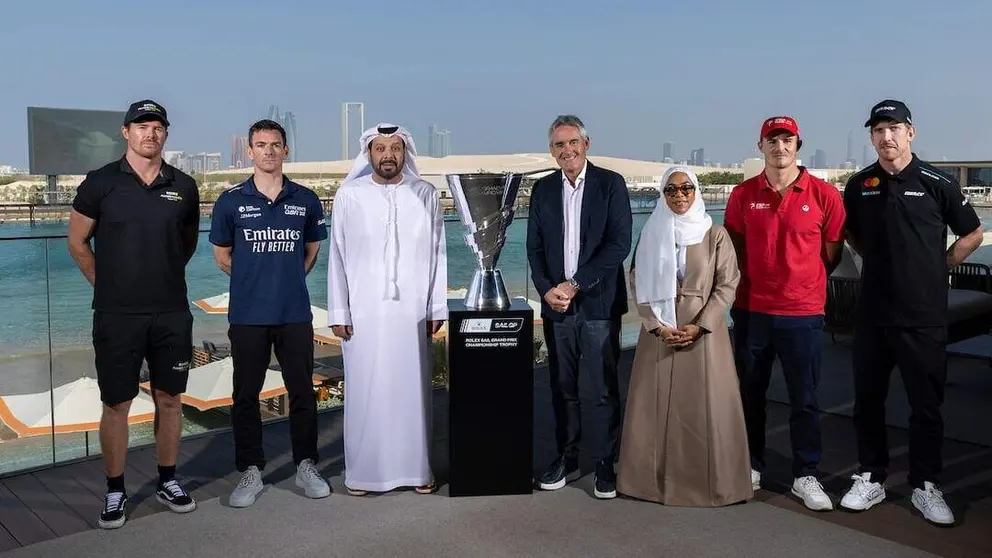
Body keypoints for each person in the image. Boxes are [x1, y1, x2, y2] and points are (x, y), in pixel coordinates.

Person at [839, 100, 982, 525]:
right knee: (868, 401)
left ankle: (925, 484)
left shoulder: (938, 182)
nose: (887, 137)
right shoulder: (859, 185)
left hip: (923, 314)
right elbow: (851, 234)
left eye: (894, 128)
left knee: (926, 405)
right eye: (878, 130)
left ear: (910, 133)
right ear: (871, 137)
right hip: (873, 313)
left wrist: (941, 266)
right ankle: (871, 475)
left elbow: (972, 233)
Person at [67, 100, 199, 529]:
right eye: (141, 126)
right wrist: (107, 286)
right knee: (116, 403)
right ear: (126, 132)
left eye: (157, 127)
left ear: (166, 133)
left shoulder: (184, 186)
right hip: (116, 315)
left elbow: (186, 244)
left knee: (170, 399)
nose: (150, 133)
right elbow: (77, 242)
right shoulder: (100, 182)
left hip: (171, 312)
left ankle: (168, 480)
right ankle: (115, 489)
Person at [724, 115, 845, 512]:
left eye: (787, 140)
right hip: (752, 310)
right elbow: (733, 252)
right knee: (750, 393)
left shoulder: (825, 195)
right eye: (772, 140)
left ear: (798, 145)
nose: (780, 147)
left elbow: (831, 253)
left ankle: (805, 474)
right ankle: (750, 464)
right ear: (760, 146)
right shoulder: (743, 195)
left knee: (804, 398)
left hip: (803, 314)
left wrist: (801, 284)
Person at [209, 119, 330, 507]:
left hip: (294, 313)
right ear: (250, 151)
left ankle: (306, 464)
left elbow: (311, 251)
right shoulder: (231, 201)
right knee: (245, 394)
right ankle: (250, 469)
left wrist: (286, 279)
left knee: (302, 392)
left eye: (275, 144)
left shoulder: (305, 199)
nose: (269, 151)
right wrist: (254, 281)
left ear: (285, 150)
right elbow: (222, 257)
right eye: (261, 145)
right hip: (247, 315)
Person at [617, 166, 752, 507]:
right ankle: (649, 485)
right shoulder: (651, 233)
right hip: (660, 332)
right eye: (671, 190)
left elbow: (727, 284)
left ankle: (710, 486)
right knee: (653, 408)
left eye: (686, 188)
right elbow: (637, 281)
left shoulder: (715, 234)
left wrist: (701, 324)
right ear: (663, 194)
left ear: (696, 191)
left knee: (705, 408)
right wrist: (656, 324)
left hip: (703, 332)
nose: (679, 195)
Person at [327, 123, 447, 496]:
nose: (388, 155)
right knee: (367, 394)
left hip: (412, 313)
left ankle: (417, 471)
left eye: (395, 148)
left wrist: (436, 306)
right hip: (364, 315)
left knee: (413, 393)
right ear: (369, 154)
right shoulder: (349, 195)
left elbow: (438, 253)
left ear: (405, 152)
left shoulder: (425, 194)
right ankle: (363, 474)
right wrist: (339, 311)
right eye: (380, 148)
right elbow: (337, 257)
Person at [526, 114, 632, 499]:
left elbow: (619, 244)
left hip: (597, 305)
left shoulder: (610, 184)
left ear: (587, 144)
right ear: (551, 150)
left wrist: (575, 284)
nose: (567, 150)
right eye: (559, 144)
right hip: (557, 307)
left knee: (603, 388)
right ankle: (567, 457)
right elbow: (534, 249)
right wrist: (546, 290)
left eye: (573, 142)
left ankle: (605, 463)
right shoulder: (543, 190)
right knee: (562, 387)